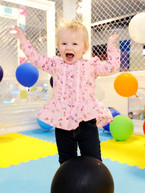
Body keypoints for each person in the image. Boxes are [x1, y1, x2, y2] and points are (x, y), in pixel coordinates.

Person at [10, 20, 120, 164]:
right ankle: (69, 184)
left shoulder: (90, 65)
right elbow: (35, 58)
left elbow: (112, 67)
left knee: (93, 159)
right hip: (62, 122)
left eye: (75, 44)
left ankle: (94, 184)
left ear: (84, 48)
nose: (69, 47)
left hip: (86, 121)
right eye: (64, 44)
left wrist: (111, 48)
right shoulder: (55, 64)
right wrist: (22, 39)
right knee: (66, 160)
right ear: (58, 46)